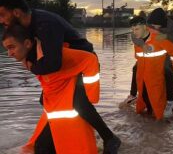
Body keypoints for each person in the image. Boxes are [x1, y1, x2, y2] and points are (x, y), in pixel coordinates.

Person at [0, 0, 121, 153]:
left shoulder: (45, 23)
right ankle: (57, 140)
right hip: (64, 67)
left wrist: (30, 66)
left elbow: (53, 63)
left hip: (81, 64)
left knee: (78, 102)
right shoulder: (27, 25)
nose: (1, 20)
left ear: (16, 12)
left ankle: (109, 138)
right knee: (45, 100)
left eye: (2, 15)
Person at [2, 25, 101, 153]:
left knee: (44, 147)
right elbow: (47, 77)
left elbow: (90, 60)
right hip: (56, 102)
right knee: (42, 147)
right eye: (7, 49)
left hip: (75, 90)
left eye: (11, 47)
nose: (9, 54)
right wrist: (45, 94)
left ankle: (108, 137)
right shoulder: (27, 59)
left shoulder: (53, 54)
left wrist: (91, 96)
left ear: (27, 43)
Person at [122, 8, 173, 118]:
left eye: (157, 26)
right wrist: (142, 43)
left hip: (165, 49)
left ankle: (170, 102)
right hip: (149, 49)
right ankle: (133, 95)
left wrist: (161, 37)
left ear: (163, 24)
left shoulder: (171, 26)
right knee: (136, 68)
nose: (154, 28)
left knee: (168, 70)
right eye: (152, 25)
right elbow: (134, 35)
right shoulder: (144, 25)